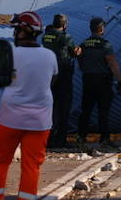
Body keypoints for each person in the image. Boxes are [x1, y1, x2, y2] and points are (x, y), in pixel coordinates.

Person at [0, 11, 58, 200]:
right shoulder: (50, 56)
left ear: (21, 31)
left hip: (8, 118)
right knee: (31, 166)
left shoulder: (9, 53)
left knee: (0, 163)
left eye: (15, 29)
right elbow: (52, 81)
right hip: (40, 121)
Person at [77, 17, 121, 150]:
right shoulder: (105, 44)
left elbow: (79, 63)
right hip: (103, 81)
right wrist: (120, 80)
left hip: (88, 79)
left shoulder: (83, 44)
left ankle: (81, 138)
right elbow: (112, 63)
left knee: (86, 110)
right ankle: (104, 139)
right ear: (101, 29)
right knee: (103, 111)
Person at [41, 14, 79, 148]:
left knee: (51, 108)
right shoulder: (65, 36)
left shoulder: (45, 36)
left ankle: (49, 139)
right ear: (64, 25)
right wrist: (78, 51)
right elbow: (73, 52)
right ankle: (61, 139)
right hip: (63, 75)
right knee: (64, 107)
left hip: (49, 75)